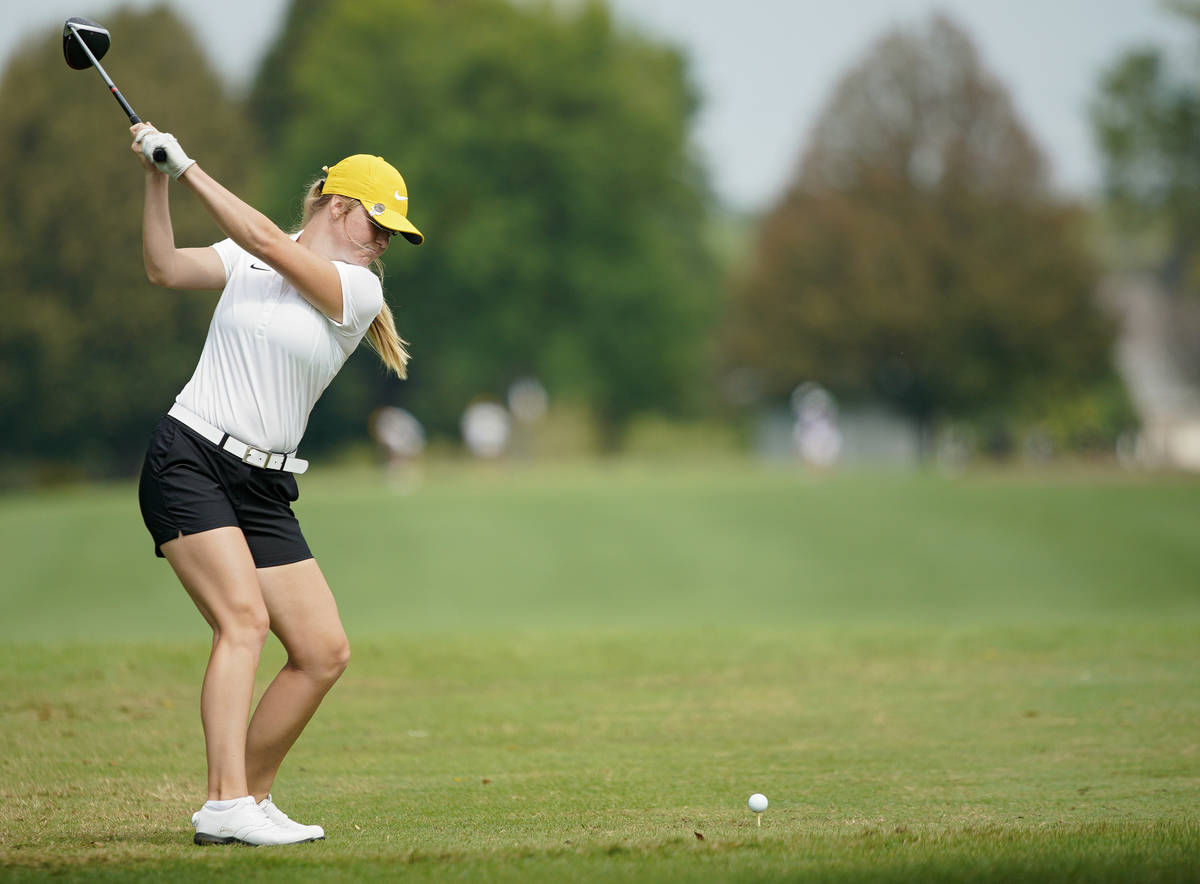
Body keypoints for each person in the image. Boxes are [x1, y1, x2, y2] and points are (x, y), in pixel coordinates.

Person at [130, 122, 423, 846]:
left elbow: (267, 242)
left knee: (323, 651)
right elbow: (165, 267)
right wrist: (158, 177)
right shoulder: (249, 254)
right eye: (377, 223)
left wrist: (189, 163)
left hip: (263, 486)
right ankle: (224, 804)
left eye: (392, 233)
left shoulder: (356, 290)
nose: (382, 240)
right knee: (244, 622)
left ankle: (249, 798)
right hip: (190, 457)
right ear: (338, 205)